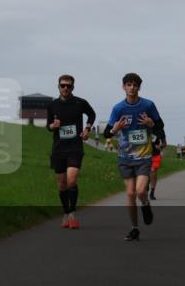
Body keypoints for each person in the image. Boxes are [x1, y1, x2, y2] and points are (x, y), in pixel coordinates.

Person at [103, 73, 164, 241]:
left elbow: (160, 125)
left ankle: (145, 204)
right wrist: (114, 130)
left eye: (135, 85)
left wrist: (152, 125)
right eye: (128, 84)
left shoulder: (148, 105)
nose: (131, 88)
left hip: (144, 156)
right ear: (123, 87)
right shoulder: (118, 109)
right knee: (130, 194)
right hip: (125, 157)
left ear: (139, 87)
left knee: (140, 191)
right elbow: (106, 133)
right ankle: (134, 228)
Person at [46, 75, 97, 229]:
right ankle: (65, 213)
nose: (65, 88)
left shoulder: (80, 102)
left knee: (72, 180)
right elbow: (48, 126)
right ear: (58, 87)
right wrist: (52, 126)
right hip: (58, 149)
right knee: (62, 185)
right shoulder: (52, 105)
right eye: (63, 85)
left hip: (75, 147)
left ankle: (73, 214)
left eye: (69, 86)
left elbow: (92, 114)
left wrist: (87, 129)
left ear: (73, 87)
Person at [149, 127, 167, 200]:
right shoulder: (142, 127)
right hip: (144, 154)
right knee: (145, 173)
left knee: (153, 173)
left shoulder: (160, 130)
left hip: (155, 155)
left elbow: (165, 143)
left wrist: (161, 146)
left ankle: (152, 192)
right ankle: (146, 183)